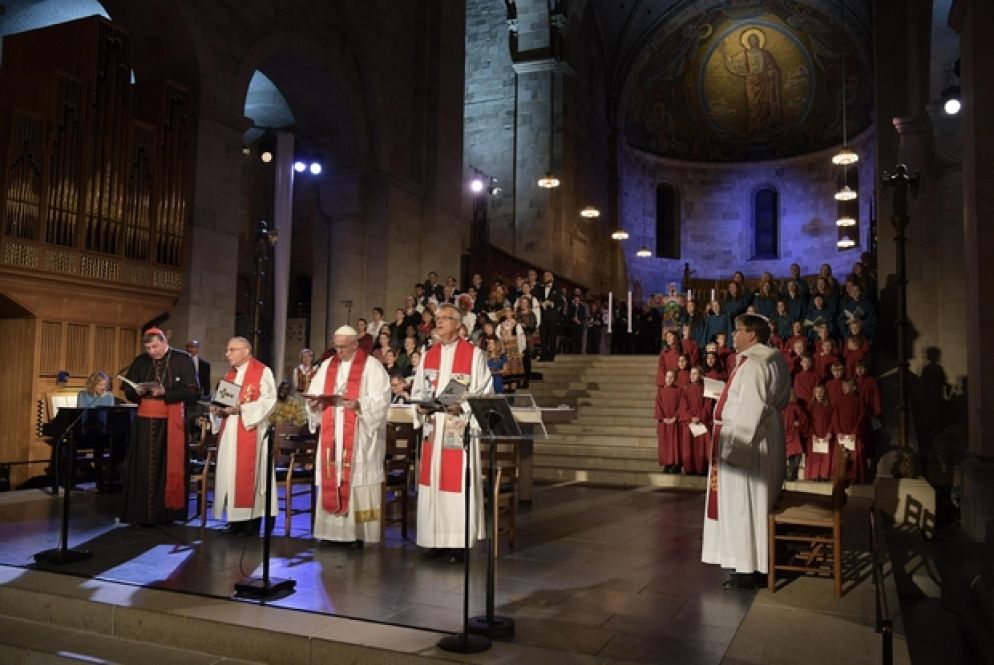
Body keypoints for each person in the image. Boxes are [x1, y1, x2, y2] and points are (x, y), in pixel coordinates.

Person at [701, 313, 790, 590]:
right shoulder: (774, 359)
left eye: (737, 330)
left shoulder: (754, 365)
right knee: (754, 503)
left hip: (748, 443)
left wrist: (735, 452)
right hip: (765, 436)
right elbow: (778, 398)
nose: (732, 336)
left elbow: (750, 410)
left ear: (752, 335)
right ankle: (755, 563)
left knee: (743, 505)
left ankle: (747, 568)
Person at [411, 303, 493, 561]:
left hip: (458, 431)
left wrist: (464, 405)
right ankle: (434, 541)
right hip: (433, 430)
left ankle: (457, 544)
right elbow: (417, 391)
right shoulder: (428, 355)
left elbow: (485, 392)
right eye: (437, 318)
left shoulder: (474, 355)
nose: (439, 322)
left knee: (455, 486)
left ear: (458, 325)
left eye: (445, 318)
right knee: (432, 483)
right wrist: (420, 407)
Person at [304, 326, 390, 548]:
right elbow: (314, 392)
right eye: (336, 346)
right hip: (333, 433)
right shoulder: (327, 366)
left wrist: (360, 404)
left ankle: (360, 533)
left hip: (360, 434)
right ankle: (331, 534)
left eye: (343, 347)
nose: (338, 351)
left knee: (359, 483)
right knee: (333, 476)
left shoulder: (372, 366)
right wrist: (313, 403)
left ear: (355, 344)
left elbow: (382, 400)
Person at [120, 328, 199, 526]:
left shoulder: (182, 359)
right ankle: (140, 513)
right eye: (148, 348)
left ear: (164, 342)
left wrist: (165, 392)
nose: (152, 351)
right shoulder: (141, 361)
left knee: (166, 466)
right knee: (142, 466)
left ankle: (167, 514)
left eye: (155, 346)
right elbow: (127, 391)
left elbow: (193, 393)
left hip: (169, 422)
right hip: (144, 424)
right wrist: (136, 391)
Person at [210, 337, 278, 536]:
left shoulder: (262, 371)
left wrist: (242, 409)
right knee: (230, 475)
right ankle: (235, 521)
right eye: (227, 350)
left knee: (249, 475)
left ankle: (251, 523)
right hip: (230, 433)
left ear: (246, 351)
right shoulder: (230, 375)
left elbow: (269, 401)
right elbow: (223, 404)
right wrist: (216, 410)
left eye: (232, 350)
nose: (227, 354)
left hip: (251, 431)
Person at [656, 369, 682, 474]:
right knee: (665, 444)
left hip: (674, 421)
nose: (669, 379)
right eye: (667, 377)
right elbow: (658, 406)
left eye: (671, 377)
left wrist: (675, 417)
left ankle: (675, 465)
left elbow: (681, 405)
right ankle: (667, 464)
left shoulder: (679, 391)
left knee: (674, 444)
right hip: (664, 422)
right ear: (665, 378)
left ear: (675, 379)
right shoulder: (660, 391)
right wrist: (663, 418)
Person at [536, 271, 565, 361]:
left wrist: (551, 303)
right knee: (543, 337)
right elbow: (535, 297)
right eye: (544, 276)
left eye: (548, 276)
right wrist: (541, 303)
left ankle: (552, 356)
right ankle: (543, 356)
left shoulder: (557, 288)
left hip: (552, 316)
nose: (545, 277)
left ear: (552, 277)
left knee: (552, 336)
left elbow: (561, 302)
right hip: (542, 316)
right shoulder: (540, 288)